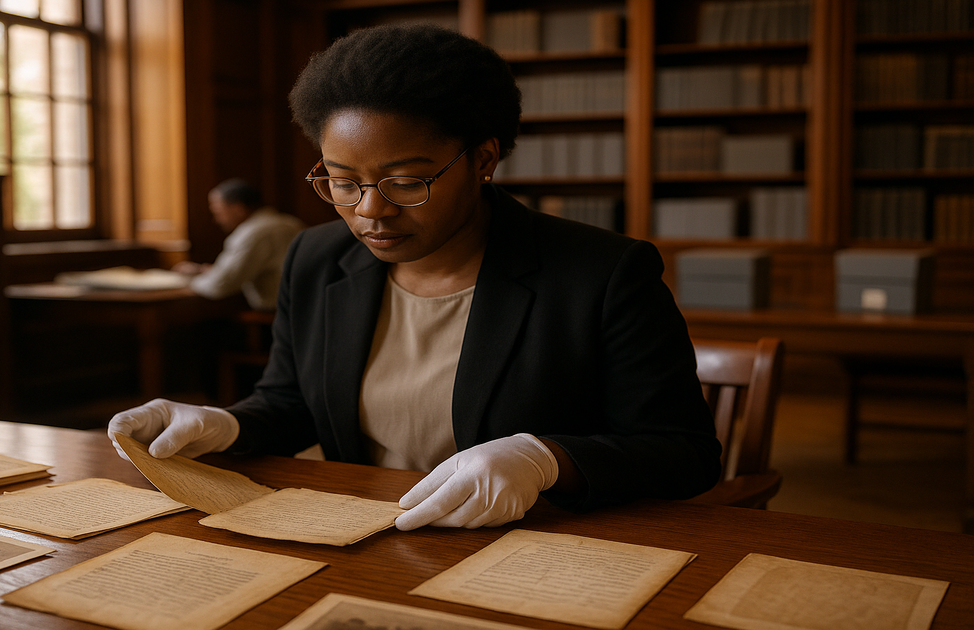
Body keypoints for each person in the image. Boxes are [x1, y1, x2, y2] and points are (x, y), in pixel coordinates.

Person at [109, 23, 721, 530]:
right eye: (343, 182)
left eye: (406, 181)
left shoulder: (602, 273)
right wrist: (229, 423)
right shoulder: (316, 259)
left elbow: (684, 453)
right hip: (368, 534)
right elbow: (292, 402)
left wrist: (547, 458)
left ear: (483, 160)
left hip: (540, 545)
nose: (370, 209)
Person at [174, 178, 305, 311]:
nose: (216, 220)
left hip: (276, 314)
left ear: (238, 209)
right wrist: (203, 270)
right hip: (304, 306)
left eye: (218, 212)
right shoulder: (291, 222)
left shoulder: (252, 232)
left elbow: (220, 284)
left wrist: (189, 282)